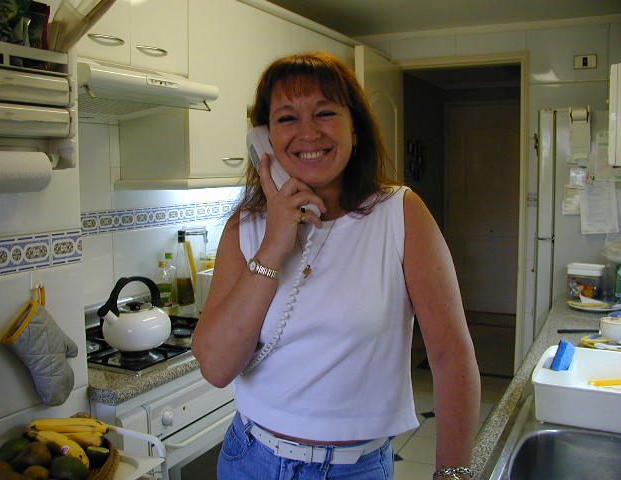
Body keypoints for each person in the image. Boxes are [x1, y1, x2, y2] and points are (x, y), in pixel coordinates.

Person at [192, 51, 480, 480]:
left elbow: (451, 355)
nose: (308, 132)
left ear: (355, 128)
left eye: (325, 112)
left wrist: (452, 473)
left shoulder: (400, 213)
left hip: (355, 469)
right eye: (287, 118)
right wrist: (274, 244)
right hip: (251, 459)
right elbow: (216, 369)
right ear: (265, 137)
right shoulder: (245, 228)